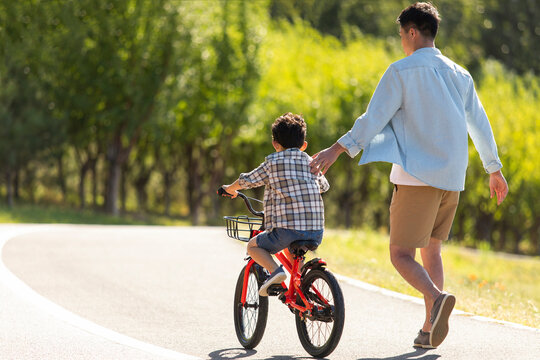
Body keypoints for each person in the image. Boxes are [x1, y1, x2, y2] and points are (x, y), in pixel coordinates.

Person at [310, 2, 508, 349]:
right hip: (451, 180)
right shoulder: (460, 73)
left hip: (416, 177)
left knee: (400, 254)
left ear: (412, 32)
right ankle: (430, 331)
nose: (402, 41)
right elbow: (479, 122)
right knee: (433, 252)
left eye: (402, 34)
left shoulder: (401, 71)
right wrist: (494, 168)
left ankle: (436, 299)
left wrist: (336, 149)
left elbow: (372, 118)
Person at [222, 112, 330, 296]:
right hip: (316, 231)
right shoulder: (312, 162)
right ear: (304, 145)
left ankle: (276, 271)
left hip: (286, 230)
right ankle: (303, 289)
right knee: (294, 252)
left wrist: (230, 189)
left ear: (275, 144)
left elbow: (248, 180)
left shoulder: (272, 163)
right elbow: (324, 186)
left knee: (253, 246)